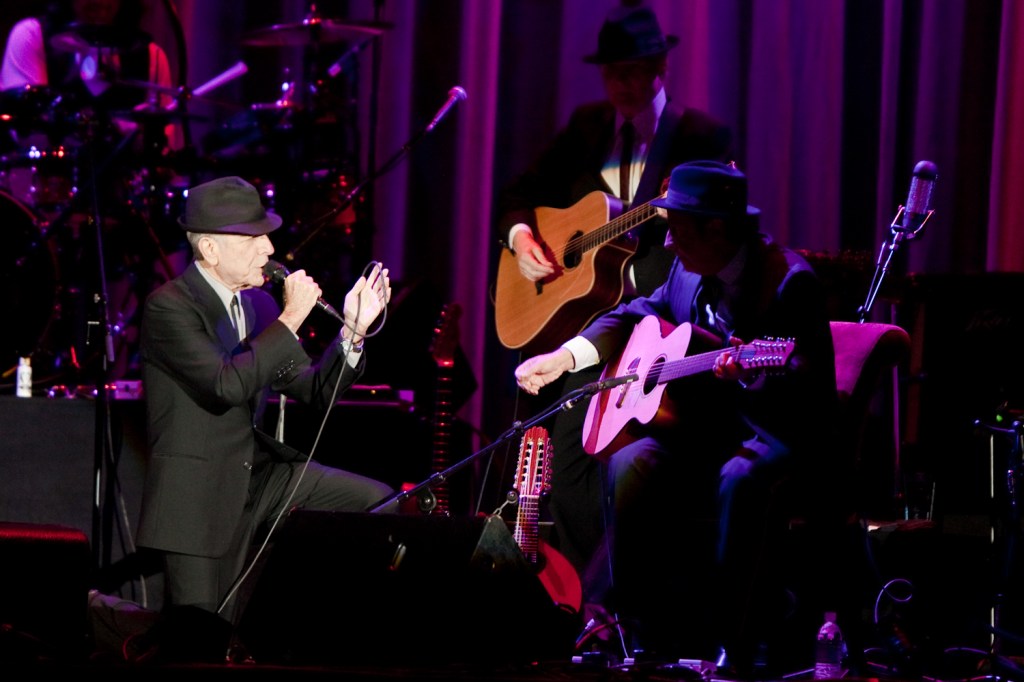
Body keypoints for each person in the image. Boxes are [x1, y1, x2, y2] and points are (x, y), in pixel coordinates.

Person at [514, 161, 839, 673]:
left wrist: (752, 373)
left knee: (740, 477)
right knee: (630, 460)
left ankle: (734, 639)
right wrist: (565, 356)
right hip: (699, 429)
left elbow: (807, 377)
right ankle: (632, 632)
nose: (667, 244)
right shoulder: (687, 269)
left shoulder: (788, 282)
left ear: (716, 228)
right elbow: (633, 311)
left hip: (768, 429)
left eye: (679, 230)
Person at [494, 3, 733, 626]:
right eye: (612, 75)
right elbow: (520, 192)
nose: (623, 86)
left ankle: (615, 603)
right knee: (556, 444)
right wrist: (523, 240)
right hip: (586, 320)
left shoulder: (699, 137)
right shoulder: (588, 125)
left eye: (635, 73)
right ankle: (569, 602)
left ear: (660, 68)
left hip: (657, 326)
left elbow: (715, 227)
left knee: (613, 455)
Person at [134, 176, 395, 656]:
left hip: (258, 477)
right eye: (253, 239)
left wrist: (353, 333)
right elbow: (224, 385)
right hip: (195, 501)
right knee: (199, 645)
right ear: (210, 248)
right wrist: (290, 319)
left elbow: (316, 390)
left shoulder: (255, 304)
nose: (269, 248)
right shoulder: (169, 307)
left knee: (376, 503)